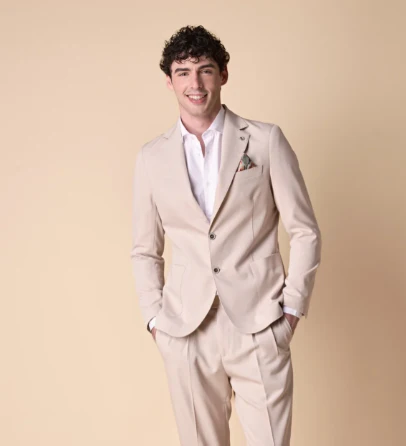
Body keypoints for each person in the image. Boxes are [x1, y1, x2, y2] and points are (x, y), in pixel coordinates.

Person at [130, 25, 322, 446]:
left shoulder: (265, 141)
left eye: (205, 70)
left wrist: (291, 310)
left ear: (223, 75)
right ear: (169, 81)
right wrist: (156, 322)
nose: (195, 84)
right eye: (183, 72)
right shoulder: (152, 158)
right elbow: (145, 250)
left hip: (259, 323)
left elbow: (304, 230)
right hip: (186, 331)